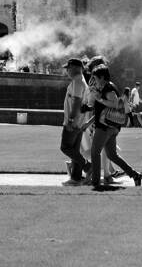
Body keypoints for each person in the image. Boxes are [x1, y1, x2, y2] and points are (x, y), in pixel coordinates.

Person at [87, 66, 142, 190]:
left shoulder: (109, 89)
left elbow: (115, 103)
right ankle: (135, 175)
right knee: (112, 155)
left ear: (102, 77)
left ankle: (95, 182)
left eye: (96, 78)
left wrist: (100, 99)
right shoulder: (107, 86)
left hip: (105, 126)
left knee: (95, 152)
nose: (95, 80)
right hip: (111, 126)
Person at [59, 58, 90, 186]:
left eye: (68, 68)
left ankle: (88, 167)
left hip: (74, 121)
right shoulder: (81, 81)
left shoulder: (77, 81)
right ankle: (76, 178)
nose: (66, 70)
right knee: (75, 151)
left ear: (74, 68)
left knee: (65, 147)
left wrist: (71, 120)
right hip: (80, 122)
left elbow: (77, 102)